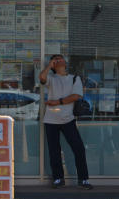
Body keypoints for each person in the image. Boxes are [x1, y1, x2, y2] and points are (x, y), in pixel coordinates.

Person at [38, 54, 93, 190]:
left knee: (78, 148)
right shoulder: (51, 78)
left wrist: (57, 102)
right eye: (55, 59)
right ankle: (58, 178)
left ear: (65, 62)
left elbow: (76, 96)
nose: (59, 61)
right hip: (50, 120)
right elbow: (42, 78)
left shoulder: (74, 78)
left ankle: (83, 179)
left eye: (60, 58)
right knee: (54, 151)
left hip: (68, 119)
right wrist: (49, 66)